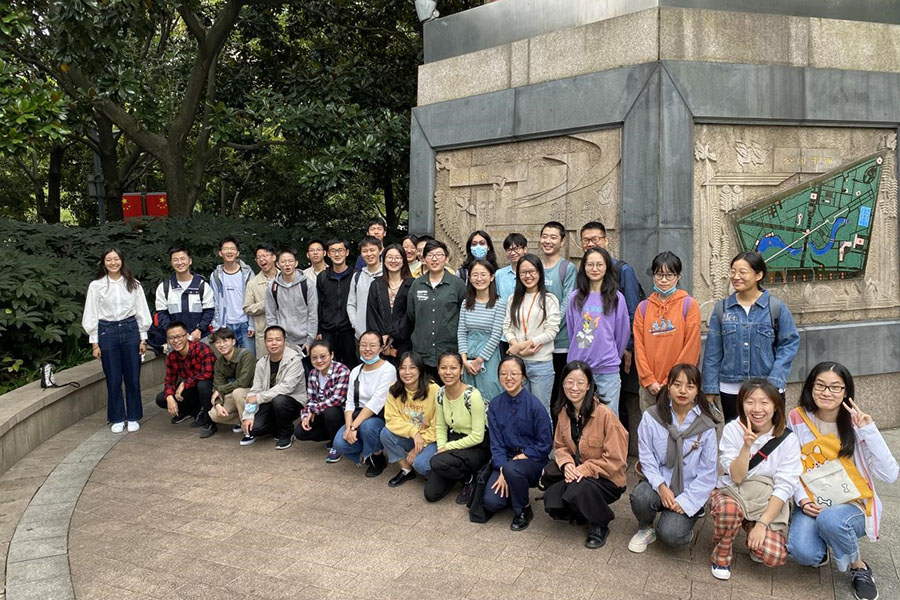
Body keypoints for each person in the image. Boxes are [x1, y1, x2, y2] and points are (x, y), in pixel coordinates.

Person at [786, 362, 898, 600]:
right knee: (804, 553)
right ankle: (830, 540)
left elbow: (890, 475)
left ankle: (858, 566)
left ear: (846, 391)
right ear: (810, 387)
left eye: (835, 387)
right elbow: (790, 465)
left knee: (831, 519)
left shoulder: (857, 424)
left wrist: (869, 430)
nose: (827, 392)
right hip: (814, 500)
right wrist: (803, 500)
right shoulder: (796, 417)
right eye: (820, 385)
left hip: (852, 504)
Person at [710, 379, 802, 580]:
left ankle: (752, 529)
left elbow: (784, 487)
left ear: (776, 406)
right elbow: (737, 477)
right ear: (741, 404)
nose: (757, 409)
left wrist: (761, 525)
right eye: (750, 402)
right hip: (734, 493)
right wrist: (746, 447)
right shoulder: (733, 429)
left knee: (774, 555)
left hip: (763, 501)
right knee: (728, 511)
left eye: (764, 402)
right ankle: (722, 552)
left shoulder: (789, 440)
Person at [702, 251, 800, 423]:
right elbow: (713, 352)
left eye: (743, 272)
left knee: (770, 435)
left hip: (768, 387)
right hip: (731, 389)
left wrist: (775, 380)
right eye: (733, 271)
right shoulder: (722, 309)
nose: (736, 277)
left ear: (758, 275)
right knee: (736, 435)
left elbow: (789, 344)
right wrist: (709, 388)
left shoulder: (775, 307)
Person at [628, 364, 717, 553]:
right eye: (677, 384)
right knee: (641, 496)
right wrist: (661, 487)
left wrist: (686, 502)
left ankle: (683, 524)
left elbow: (708, 473)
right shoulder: (652, 417)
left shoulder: (706, 426)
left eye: (690, 386)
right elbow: (647, 457)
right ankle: (645, 528)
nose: (683, 391)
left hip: (689, 488)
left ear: (697, 391)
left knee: (671, 534)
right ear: (668, 386)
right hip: (660, 482)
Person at [544, 360, 628, 549]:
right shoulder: (564, 412)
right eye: (569, 382)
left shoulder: (605, 415)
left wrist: (585, 469)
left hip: (606, 478)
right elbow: (560, 447)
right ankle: (581, 510)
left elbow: (616, 461)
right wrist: (567, 465)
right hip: (579, 472)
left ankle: (600, 524)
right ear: (562, 384)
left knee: (577, 490)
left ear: (589, 385)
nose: (574, 388)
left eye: (580, 383)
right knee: (552, 496)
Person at [581, 221, 645, 428]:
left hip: (615, 353)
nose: (590, 244)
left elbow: (632, 312)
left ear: (606, 241)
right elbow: (577, 326)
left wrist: (627, 347)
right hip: (590, 354)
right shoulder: (583, 279)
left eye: (595, 239)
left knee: (617, 404)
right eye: (586, 240)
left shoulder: (622, 270)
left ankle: (618, 445)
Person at [82, 247, 151, 433]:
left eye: (116, 259)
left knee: (133, 376)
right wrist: (95, 343)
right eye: (109, 260)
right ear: (103, 263)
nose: (113, 263)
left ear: (122, 260)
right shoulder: (96, 286)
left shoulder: (133, 284)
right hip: (107, 331)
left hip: (130, 330)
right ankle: (117, 417)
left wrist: (143, 339)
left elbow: (142, 311)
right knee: (113, 377)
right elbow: (91, 314)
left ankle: (134, 416)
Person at [482, 356, 553, 531]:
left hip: (532, 460)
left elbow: (545, 443)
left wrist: (518, 460)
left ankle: (523, 510)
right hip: (506, 458)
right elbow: (496, 443)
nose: (509, 378)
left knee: (513, 470)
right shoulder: (495, 405)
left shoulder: (535, 405)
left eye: (514, 373)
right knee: (491, 502)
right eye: (503, 374)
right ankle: (513, 489)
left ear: (523, 377)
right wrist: (502, 469)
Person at [565, 247, 630, 418]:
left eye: (599, 264)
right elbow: (572, 332)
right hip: (579, 368)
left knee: (608, 418)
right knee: (580, 417)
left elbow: (622, 334)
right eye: (590, 264)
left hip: (607, 369)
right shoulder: (575, 297)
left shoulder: (616, 298)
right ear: (584, 267)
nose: (595, 269)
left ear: (607, 267)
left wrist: (610, 355)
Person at [633, 252, 701, 413]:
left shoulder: (689, 305)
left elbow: (691, 346)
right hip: (649, 386)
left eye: (669, 275)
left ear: (678, 276)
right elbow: (639, 347)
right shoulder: (643, 308)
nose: (663, 280)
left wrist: (672, 381)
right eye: (659, 274)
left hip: (679, 386)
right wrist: (649, 380)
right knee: (650, 426)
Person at [426, 352, 490, 504]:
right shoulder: (440, 393)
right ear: (438, 370)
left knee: (437, 462)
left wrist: (447, 448)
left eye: (453, 368)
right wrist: (441, 447)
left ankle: (470, 479)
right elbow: (441, 425)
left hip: (477, 446)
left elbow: (478, 436)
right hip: (455, 439)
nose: (448, 372)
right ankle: (461, 473)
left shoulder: (472, 395)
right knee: (431, 494)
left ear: (461, 370)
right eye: (443, 368)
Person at [331, 332, 396, 476]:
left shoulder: (388, 370)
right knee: (339, 444)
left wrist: (354, 427)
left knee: (368, 427)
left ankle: (376, 456)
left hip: (379, 416)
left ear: (381, 348)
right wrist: (349, 428)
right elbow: (349, 403)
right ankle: (366, 451)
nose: (367, 349)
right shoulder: (356, 371)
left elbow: (376, 403)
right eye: (363, 345)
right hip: (358, 415)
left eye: (372, 345)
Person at [502, 254, 560, 412]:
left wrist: (524, 345)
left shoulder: (549, 299)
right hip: (518, 364)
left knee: (540, 410)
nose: (528, 276)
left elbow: (552, 331)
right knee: (519, 409)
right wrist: (516, 346)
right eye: (523, 272)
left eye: (532, 271)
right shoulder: (513, 299)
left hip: (541, 364)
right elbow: (507, 327)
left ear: (539, 272)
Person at [240, 325, 307, 450]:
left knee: (279, 400)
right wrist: (248, 416)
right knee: (253, 429)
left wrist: (258, 398)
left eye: (278, 339)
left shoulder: (294, 360)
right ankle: (275, 426)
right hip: (269, 400)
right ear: (265, 342)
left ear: (284, 341)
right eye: (270, 340)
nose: (274, 343)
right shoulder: (261, 363)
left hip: (292, 401)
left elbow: (286, 388)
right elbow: (255, 390)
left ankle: (286, 434)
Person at [407, 239, 467, 380]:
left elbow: (464, 315)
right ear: (423, 259)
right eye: (430, 255)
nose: (434, 259)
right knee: (424, 390)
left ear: (446, 259)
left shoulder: (457, 284)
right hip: (422, 351)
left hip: (449, 352)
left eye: (439, 255)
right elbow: (411, 314)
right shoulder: (416, 284)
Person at [380, 352, 440, 487]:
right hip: (412, 436)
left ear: (420, 369)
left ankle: (437, 476)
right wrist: (414, 432)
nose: (407, 372)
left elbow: (438, 425)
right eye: (402, 368)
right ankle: (406, 469)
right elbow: (391, 419)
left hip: (431, 439)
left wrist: (417, 447)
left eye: (412, 367)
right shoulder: (394, 389)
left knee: (422, 466)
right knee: (386, 433)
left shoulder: (433, 389)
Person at [154, 321, 215, 437]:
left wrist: (184, 383)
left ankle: (210, 421)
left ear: (187, 336)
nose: (176, 341)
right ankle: (193, 411)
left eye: (179, 336)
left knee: (203, 385)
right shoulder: (172, 356)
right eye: (171, 338)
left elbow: (209, 373)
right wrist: (169, 397)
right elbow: (169, 380)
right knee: (161, 399)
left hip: (209, 389)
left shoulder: (202, 348)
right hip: (191, 389)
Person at [539, 222, 577, 407]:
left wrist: (549, 328)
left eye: (553, 237)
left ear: (562, 242)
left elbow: (567, 303)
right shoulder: (535, 266)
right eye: (544, 236)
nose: (548, 241)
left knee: (560, 394)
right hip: (537, 343)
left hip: (560, 343)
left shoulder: (567, 268)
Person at [294, 340, 350, 462]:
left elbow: (337, 399)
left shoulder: (342, 370)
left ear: (332, 355)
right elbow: (310, 399)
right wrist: (305, 415)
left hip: (341, 415)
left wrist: (313, 410)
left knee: (331, 412)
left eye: (323, 356)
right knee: (300, 432)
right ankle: (332, 437)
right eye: (314, 358)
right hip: (321, 413)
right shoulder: (313, 373)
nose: (319, 361)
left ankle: (337, 445)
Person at [457, 259, 504, 401]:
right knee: (469, 397)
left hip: (489, 356)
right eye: (475, 275)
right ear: (470, 278)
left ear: (492, 277)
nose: (479, 279)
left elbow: (496, 335)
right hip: (468, 355)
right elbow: (461, 332)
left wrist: (479, 360)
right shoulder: (466, 303)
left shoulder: (499, 304)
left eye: (483, 274)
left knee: (490, 395)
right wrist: (463, 359)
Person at [154, 246, 214, 343]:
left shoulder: (202, 286)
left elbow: (209, 311)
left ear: (190, 261)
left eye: (182, 259)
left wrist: (199, 330)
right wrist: (174, 333)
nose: (179, 262)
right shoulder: (164, 288)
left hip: (199, 338)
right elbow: (162, 314)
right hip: (175, 340)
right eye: (175, 260)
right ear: (171, 263)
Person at [366, 244, 413, 364]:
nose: (393, 261)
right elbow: (372, 314)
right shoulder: (376, 285)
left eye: (397, 257)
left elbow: (410, 314)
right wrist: (381, 338)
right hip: (381, 344)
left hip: (405, 342)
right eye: (390, 257)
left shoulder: (412, 285)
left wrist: (392, 335)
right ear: (384, 260)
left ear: (403, 260)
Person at [265, 247, 318, 354]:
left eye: (290, 261)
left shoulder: (307, 284)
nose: (287, 264)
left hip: (304, 340)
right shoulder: (273, 287)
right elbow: (270, 315)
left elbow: (313, 314)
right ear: (277, 264)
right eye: (283, 262)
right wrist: (276, 338)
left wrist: (310, 340)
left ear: (296, 263)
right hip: (283, 340)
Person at [206, 327, 255, 441]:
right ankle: (242, 420)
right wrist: (218, 404)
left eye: (225, 340)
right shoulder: (219, 362)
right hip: (238, 394)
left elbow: (244, 382)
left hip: (254, 392)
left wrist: (221, 389)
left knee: (238, 392)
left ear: (233, 341)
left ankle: (250, 431)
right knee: (214, 414)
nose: (222, 345)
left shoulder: (246, 354)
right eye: (218, 342)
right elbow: (217, 385)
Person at [316, 239, 357, 368]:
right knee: (328, 365)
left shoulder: (355, 275)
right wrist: (319, 330)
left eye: (340, 250)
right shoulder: (322, 277)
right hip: (328, 330)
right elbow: (319, 304)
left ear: (347, 252)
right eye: (333, 251)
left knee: (351, 365)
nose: (337, 254)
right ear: (328, 254)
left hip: (349, 330)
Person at [209, 237, 254, 353]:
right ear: (220, 253)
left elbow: (254, 300)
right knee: (228, 360)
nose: (229, 251)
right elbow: (214, 302)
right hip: (225, 325)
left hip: (245, 324)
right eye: (226, 249)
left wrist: (252, 325)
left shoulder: (247, 274)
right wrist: (216, 326)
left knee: (248, 359)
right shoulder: (216, 276)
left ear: (237, 252)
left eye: (232, 249)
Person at [243, 244, 279, 357]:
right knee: (265, 364)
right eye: (258, 257)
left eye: (265, 255)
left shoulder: (286, 277)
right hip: (264, 333)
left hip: (288, 332)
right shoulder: (253, 283)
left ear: (273, 257)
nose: (262, 259)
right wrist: (267, 303)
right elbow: (247, 308)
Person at [347, 236, 383, 340]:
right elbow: (351, 303)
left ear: (380, 251)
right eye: (365, 251)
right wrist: (356, 324)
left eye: (372, 250)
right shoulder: (357, 276)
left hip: (383, 335)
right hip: (361, 335)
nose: (369, 254)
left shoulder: (387, 274)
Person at [496, 233, 527, 302]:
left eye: (516, 249)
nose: (512, 253)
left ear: (525, 249)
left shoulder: (531, 273)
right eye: (509, 250)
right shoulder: (499, 274)